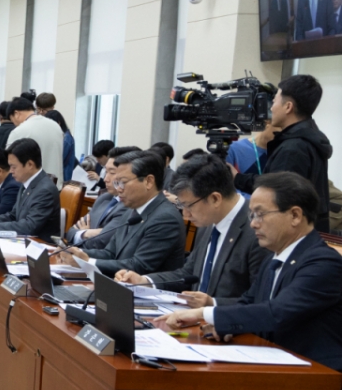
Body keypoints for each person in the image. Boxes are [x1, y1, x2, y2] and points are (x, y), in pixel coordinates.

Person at [157, 172, 342, 372]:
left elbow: (277, 313)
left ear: (295, 215)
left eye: (260, 214)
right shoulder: (275, 256)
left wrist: (205, 313)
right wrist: (227, 326)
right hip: (273, 362)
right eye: (251, 215)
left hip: (317, 375)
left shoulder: (323, 263)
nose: (253, 223)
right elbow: (249, 302)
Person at [117, 154, 269, 308]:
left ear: (215, 199)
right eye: (181, 205)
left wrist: (212, 304)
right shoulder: (209, 220)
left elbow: (261, 301)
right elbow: (189, 273)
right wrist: (144, 281)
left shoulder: (258, 231)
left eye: (188, 205)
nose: (185, 214)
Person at [59, 150, 186, 276]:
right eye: (117, 182)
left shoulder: (165, 218)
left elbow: (139, 265)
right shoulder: (131, 210)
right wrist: (74, 252)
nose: (119, 189)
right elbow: (110, 253)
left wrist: (87, 261)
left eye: (123, 182)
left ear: (148, 181)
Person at [235, 75, 333, 232]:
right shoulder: (309, 138)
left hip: (292, 236)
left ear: (288, 107)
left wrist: (236, 178)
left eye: (274, 101)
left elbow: (273, 192)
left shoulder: (293, 148)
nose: (271, 108)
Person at [0, 138, 60, 238]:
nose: (10, 171)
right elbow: (13, 215)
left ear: (30, 165)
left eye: (14, 167)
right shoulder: (26, 183)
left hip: (40, 246)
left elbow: (29, 226)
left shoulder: (45, 190)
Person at [64, 146, 140, 249]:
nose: (105, 179)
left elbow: (102, 242)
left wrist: (83, 234)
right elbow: (71, 232)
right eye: (106, 171)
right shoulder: (104, 198)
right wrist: (85, 234)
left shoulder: (130, 206)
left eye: (112, 173)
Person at [4, 97, 64, 184]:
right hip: (56, 186)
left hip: (32, 188)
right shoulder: (56, 126)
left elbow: (9, 162)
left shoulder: (19, 131)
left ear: (16, 114)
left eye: (13, 121)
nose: (14, 125)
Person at [45, 110, 76, 182]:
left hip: (63, 178)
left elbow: (58, 159)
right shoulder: (61, 136)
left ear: (58, 123)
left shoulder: (66, 139)